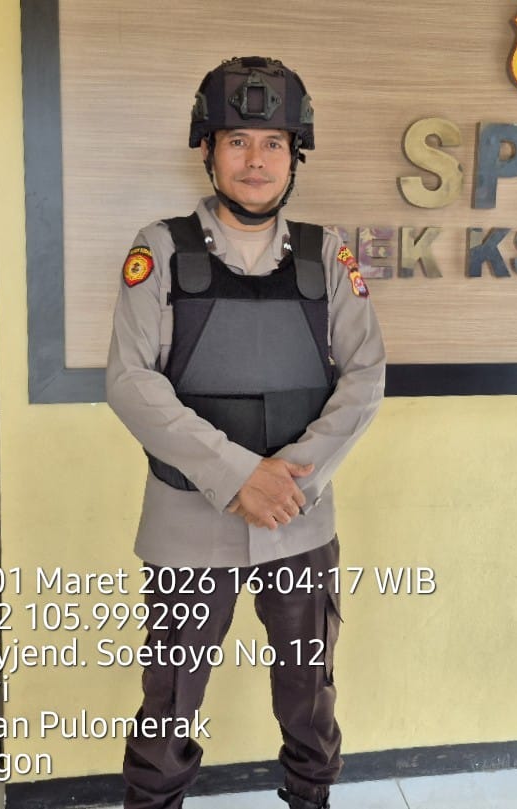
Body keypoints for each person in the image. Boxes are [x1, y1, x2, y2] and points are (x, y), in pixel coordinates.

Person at [106, 56, 385, 809]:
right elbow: (130, 380)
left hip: (299, 517)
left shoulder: (328, 255)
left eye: (272, 143)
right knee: (170, 700)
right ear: (208, 149)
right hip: (187, 523)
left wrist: (289, 479)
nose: (255, 160)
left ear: (295, 155)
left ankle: (311, 797)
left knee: (310, 691)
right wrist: (238, 476)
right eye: (237, 141)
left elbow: (366, 375)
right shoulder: (161, 248)